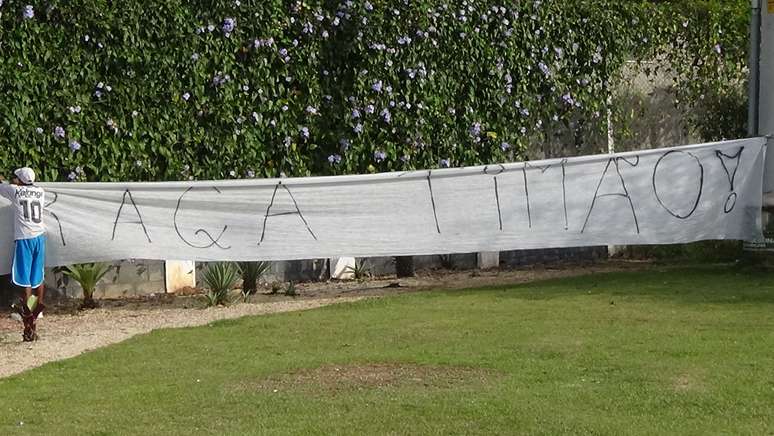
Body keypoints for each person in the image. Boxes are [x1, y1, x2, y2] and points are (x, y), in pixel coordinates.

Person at [0, 167, 46, 341]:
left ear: (19, 180)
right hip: (40, 238)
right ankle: (36, 314)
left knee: (25, 281)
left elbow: (2, 185)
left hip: (24, 239)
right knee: (38, 278)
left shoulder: (15, 191)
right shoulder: (40, 192)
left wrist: (8, 181)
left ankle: (28, 321)